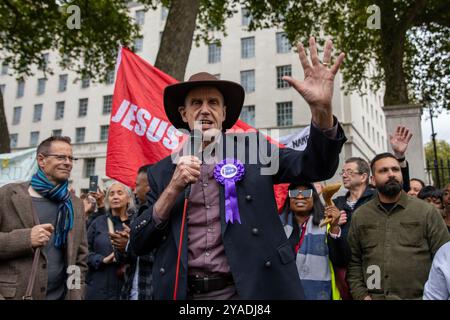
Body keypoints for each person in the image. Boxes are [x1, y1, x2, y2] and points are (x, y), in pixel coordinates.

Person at [130, 37, 347, 300]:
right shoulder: (160, 172)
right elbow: (139, 242)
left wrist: (322, 112)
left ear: (224, 113)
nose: (205, 110)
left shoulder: (255, 149)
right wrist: (173, 188)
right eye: (196, 103)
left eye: (213, 103)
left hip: (250, 292)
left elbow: (315, 166)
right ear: (184, 114)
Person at [347, 153, 450, 300]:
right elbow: (354, 262)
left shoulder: (426, 212)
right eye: (383, 170)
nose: (391, 174)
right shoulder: (360, 215)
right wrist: (362, 295)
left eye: (395, 170)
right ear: (373, 180)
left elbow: (446, 260)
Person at [0, 136, 88, 300]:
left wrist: (76, 293)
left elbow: (78, 259)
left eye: (71, 158)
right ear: (41, 160)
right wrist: (26, 238)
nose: (68, 162)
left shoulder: (74, 204)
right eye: (61, 157)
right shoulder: (8, 194)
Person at [280, 182, 350, 300]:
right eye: (294, 192)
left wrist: (334, 227)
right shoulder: (276, 226)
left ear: (314, 198)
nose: (300, 197)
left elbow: (341, 260)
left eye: (307, 192)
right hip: (283, 292)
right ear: (289, 198)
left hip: (320, 293)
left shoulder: (327, 223)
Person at [86, 181, 135, 300]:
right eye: (111, 194)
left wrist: (128, 247)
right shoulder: (98, 222)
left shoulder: (136, 223)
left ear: (128, 199)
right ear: (107, 200)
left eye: (120, 193)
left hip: (126, 288)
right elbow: (84, 253)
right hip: (99, 288)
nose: (115, 197)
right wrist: (102, 260)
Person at [118, 165, 154, 300]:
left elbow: (153, 254)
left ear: (149, 187)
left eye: (137, 185)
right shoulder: (136, 214)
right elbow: (123, 259)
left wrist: (130, 243)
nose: (134, 190)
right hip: (130, 291)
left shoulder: (163, 216)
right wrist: (121, 246)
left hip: (150, 292)